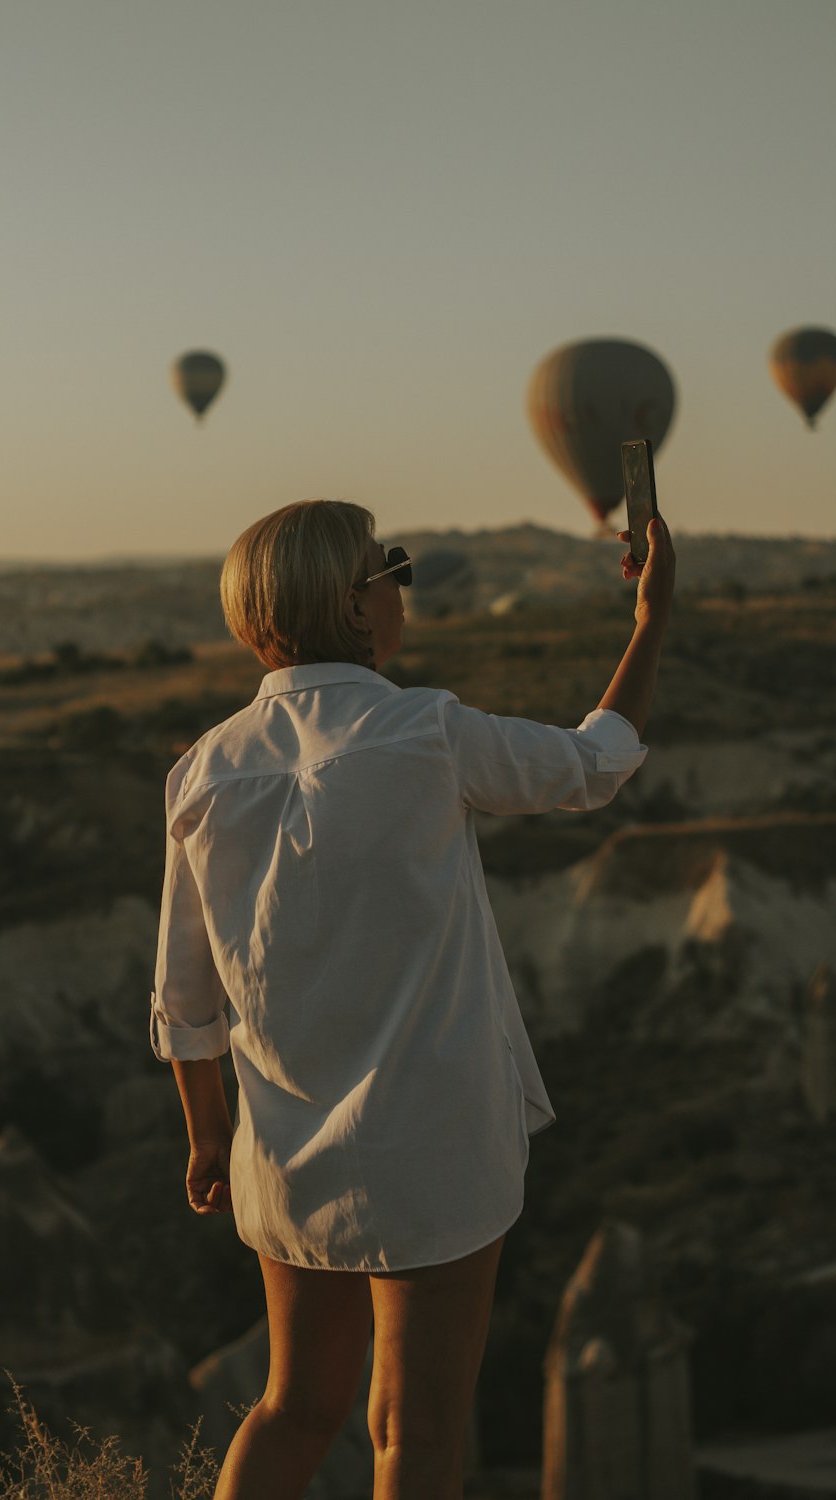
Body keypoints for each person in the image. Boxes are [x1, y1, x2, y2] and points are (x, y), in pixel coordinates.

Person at [149, 499, 675, 1500]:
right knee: (417, 1429)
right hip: (433, 1144)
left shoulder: (203, 773)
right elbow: (594, 764)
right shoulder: (425, 731)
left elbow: (183, 994)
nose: (401, 583)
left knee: (291, 1409)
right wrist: (649, 621)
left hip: (286, 1150)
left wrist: (207, 1133)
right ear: (355, 606)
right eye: (391, 566)